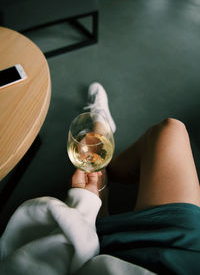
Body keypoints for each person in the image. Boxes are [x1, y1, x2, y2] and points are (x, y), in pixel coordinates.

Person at [1, 83, 200, 275]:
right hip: (182, 255)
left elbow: (35, 263)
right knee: (170, 129)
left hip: (116, 258)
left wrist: (83, 204)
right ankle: (101, 153)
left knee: (91, 165)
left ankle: (100, 141)